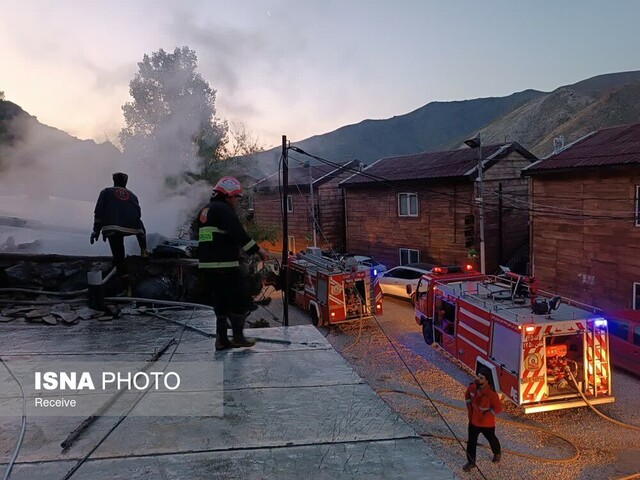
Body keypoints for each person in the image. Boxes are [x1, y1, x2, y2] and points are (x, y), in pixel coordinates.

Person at [195, 176, 268, 351]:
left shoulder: (205, 210)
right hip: (224, 263)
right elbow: (238, 233)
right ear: (227, 195)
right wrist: (257, 250)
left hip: (207, 265)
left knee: (221, 302)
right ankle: (237, 337)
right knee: (242, 297)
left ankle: (221, 340)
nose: (235, 201)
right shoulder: (224, 209)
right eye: (235, 197)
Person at [91, 172, 147, 275]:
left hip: (112, 226)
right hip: (132, 227)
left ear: (114, 180)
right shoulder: (133, 195)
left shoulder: (106, 192)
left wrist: (96, 230)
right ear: (126, 181)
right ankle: (144, 251)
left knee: (118, 248)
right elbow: (138, 214)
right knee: (141, 228)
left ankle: (121, 272)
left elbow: (99, 211)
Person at [463, 371, 503, 471]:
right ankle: (471, 462)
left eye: (481, 378)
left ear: (486, 381)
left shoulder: (491, 394)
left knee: (491, 439)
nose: (478, 379)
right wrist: (470, 409)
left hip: (487, 424)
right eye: (478, 376)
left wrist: (487, 413)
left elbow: (498, 409)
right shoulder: (472, 388)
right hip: (474, 422)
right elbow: (467, 396)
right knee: (471, 442)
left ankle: (497, 453)